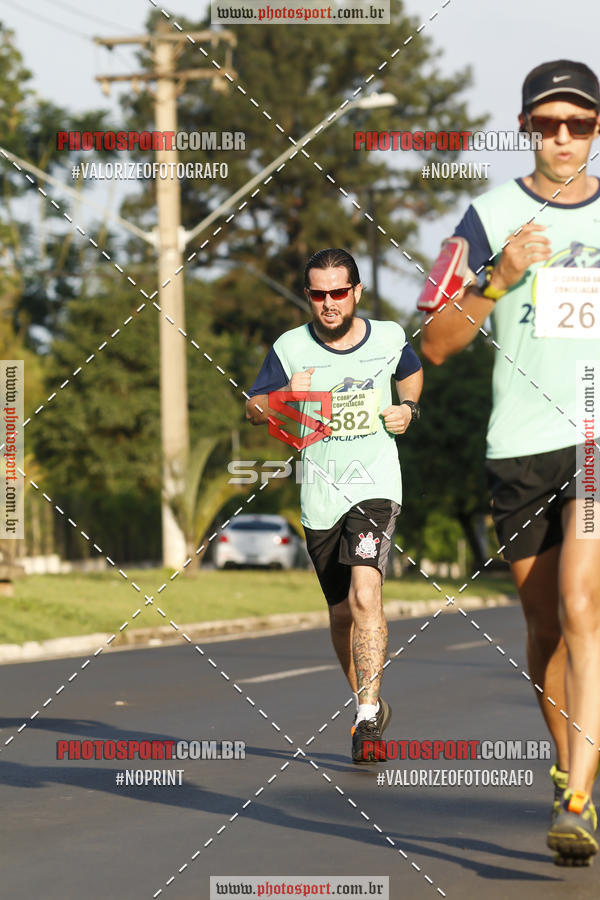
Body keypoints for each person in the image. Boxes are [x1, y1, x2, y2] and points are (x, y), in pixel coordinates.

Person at [419, 60, 600, 864]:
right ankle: (569, 765)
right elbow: (435, 342)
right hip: (519, 445)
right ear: (526, 125)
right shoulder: (485, 216)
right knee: (542, 631)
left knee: (581, 606)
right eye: (550, 123)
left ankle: (577, 797)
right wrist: (499, 277)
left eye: (582, 124)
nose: (565, 139)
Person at [246, 248, 423, 764]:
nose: (329, 303)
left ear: (356, 292)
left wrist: (407, 408)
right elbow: (252, 408)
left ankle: (367, 720)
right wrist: (282, 397)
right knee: (342, 610)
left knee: (366, 591)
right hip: (320, 493)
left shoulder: (389, 336)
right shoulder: (289, 347)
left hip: (375, 485)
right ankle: (366, 699)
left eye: (338, 292)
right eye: (319, 294)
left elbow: (410, 373)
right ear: (308, 295)